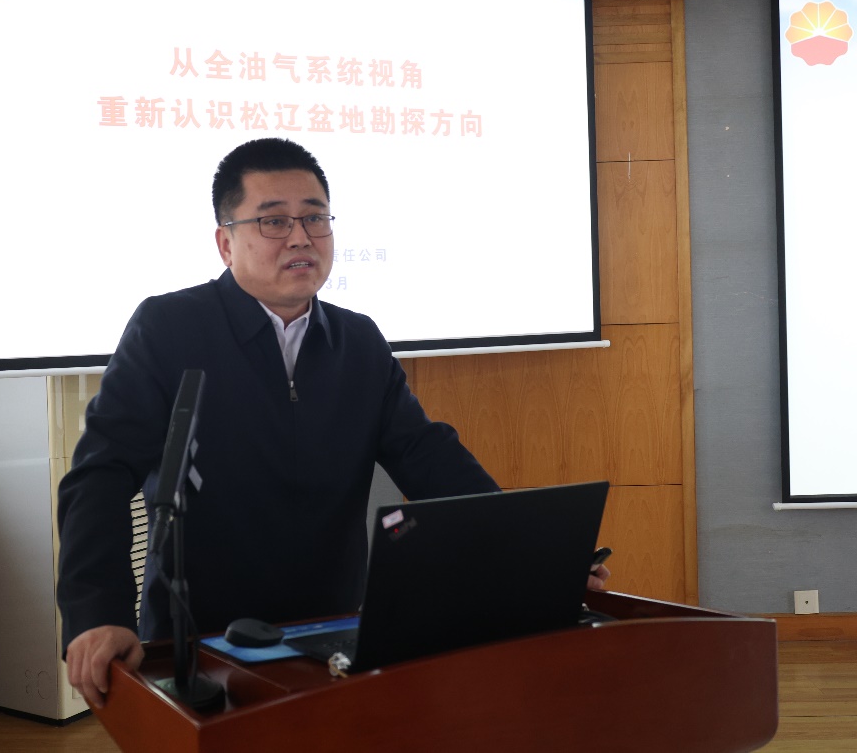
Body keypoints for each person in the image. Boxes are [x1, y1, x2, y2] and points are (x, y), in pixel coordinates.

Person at [56, 138, 610, 707]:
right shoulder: (168, 329)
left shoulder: (358, 341)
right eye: (274, 221)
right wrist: (98, 613)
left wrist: (532, 561)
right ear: (225, 243)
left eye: (315, 218)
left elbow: (431, 460)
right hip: (201, 643)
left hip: (332, 638)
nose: (300, 237)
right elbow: (101, 474)